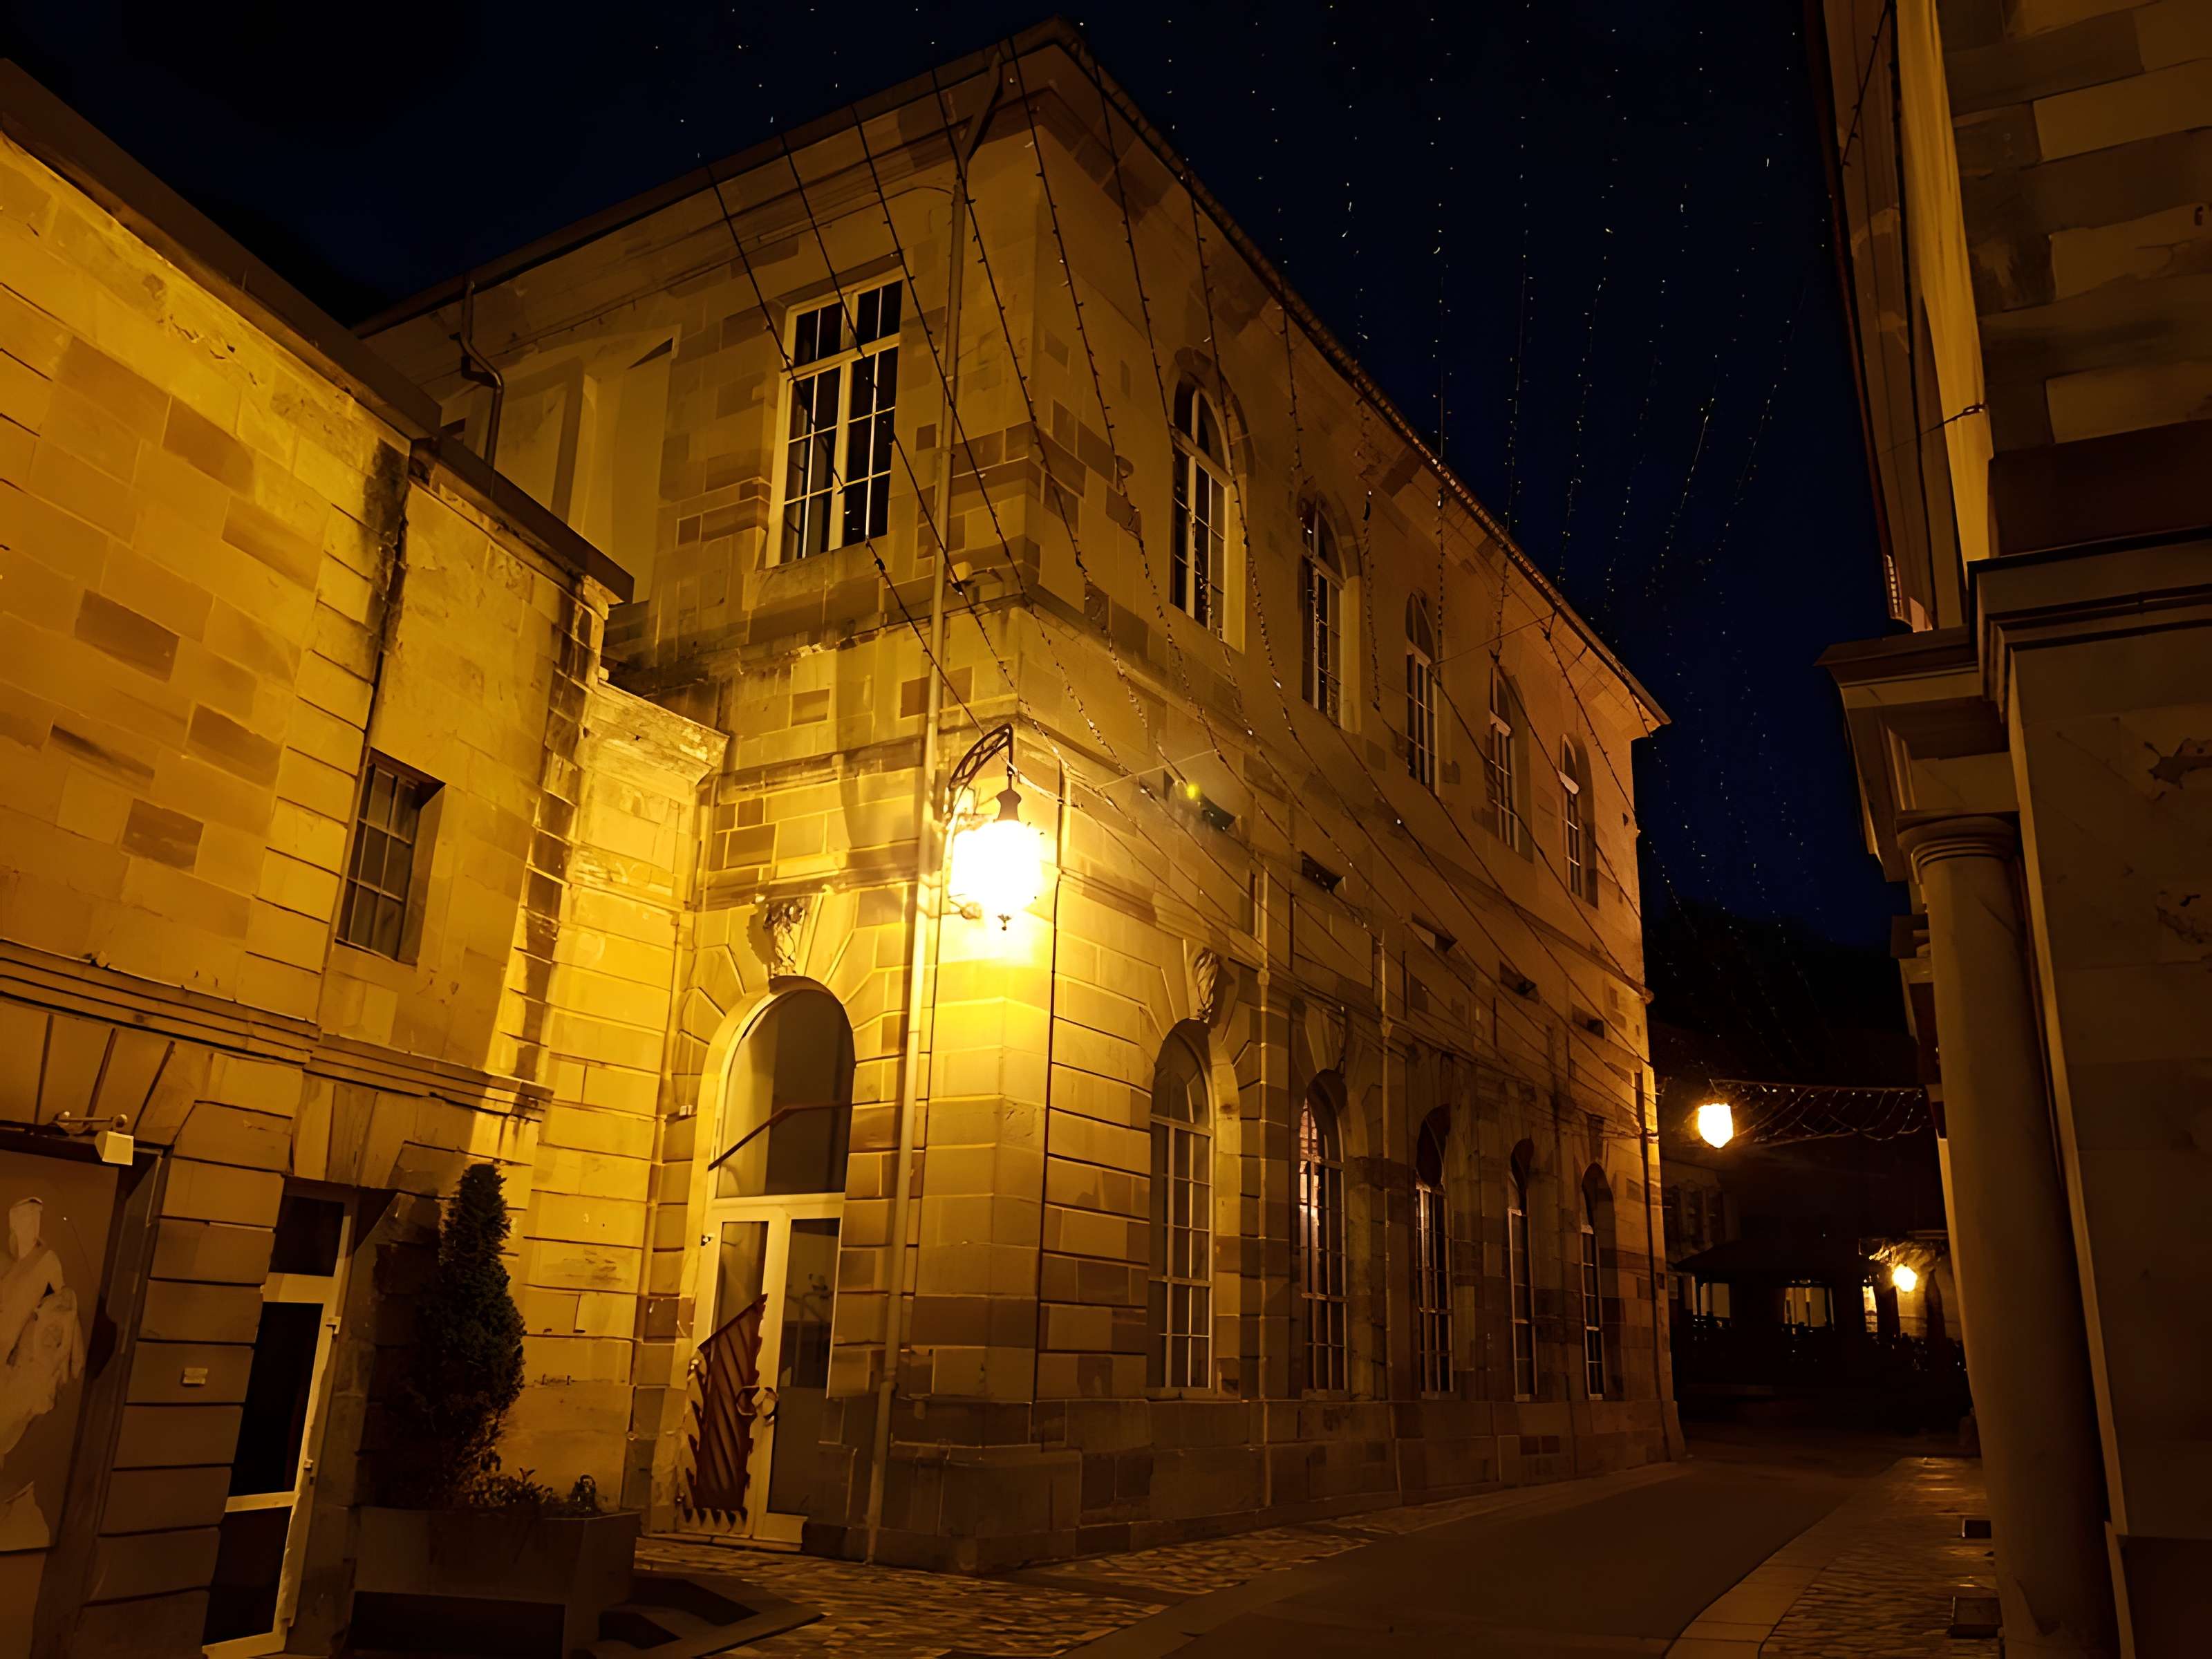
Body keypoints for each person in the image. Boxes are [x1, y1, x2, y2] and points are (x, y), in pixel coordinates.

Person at [0, 1196, 86, 1551]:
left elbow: (57, 1336)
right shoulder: (16, 1268)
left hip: (25, 1378)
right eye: (19, 1217)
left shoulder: (46, 1267)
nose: (25, 1225)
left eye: (31, 1217)